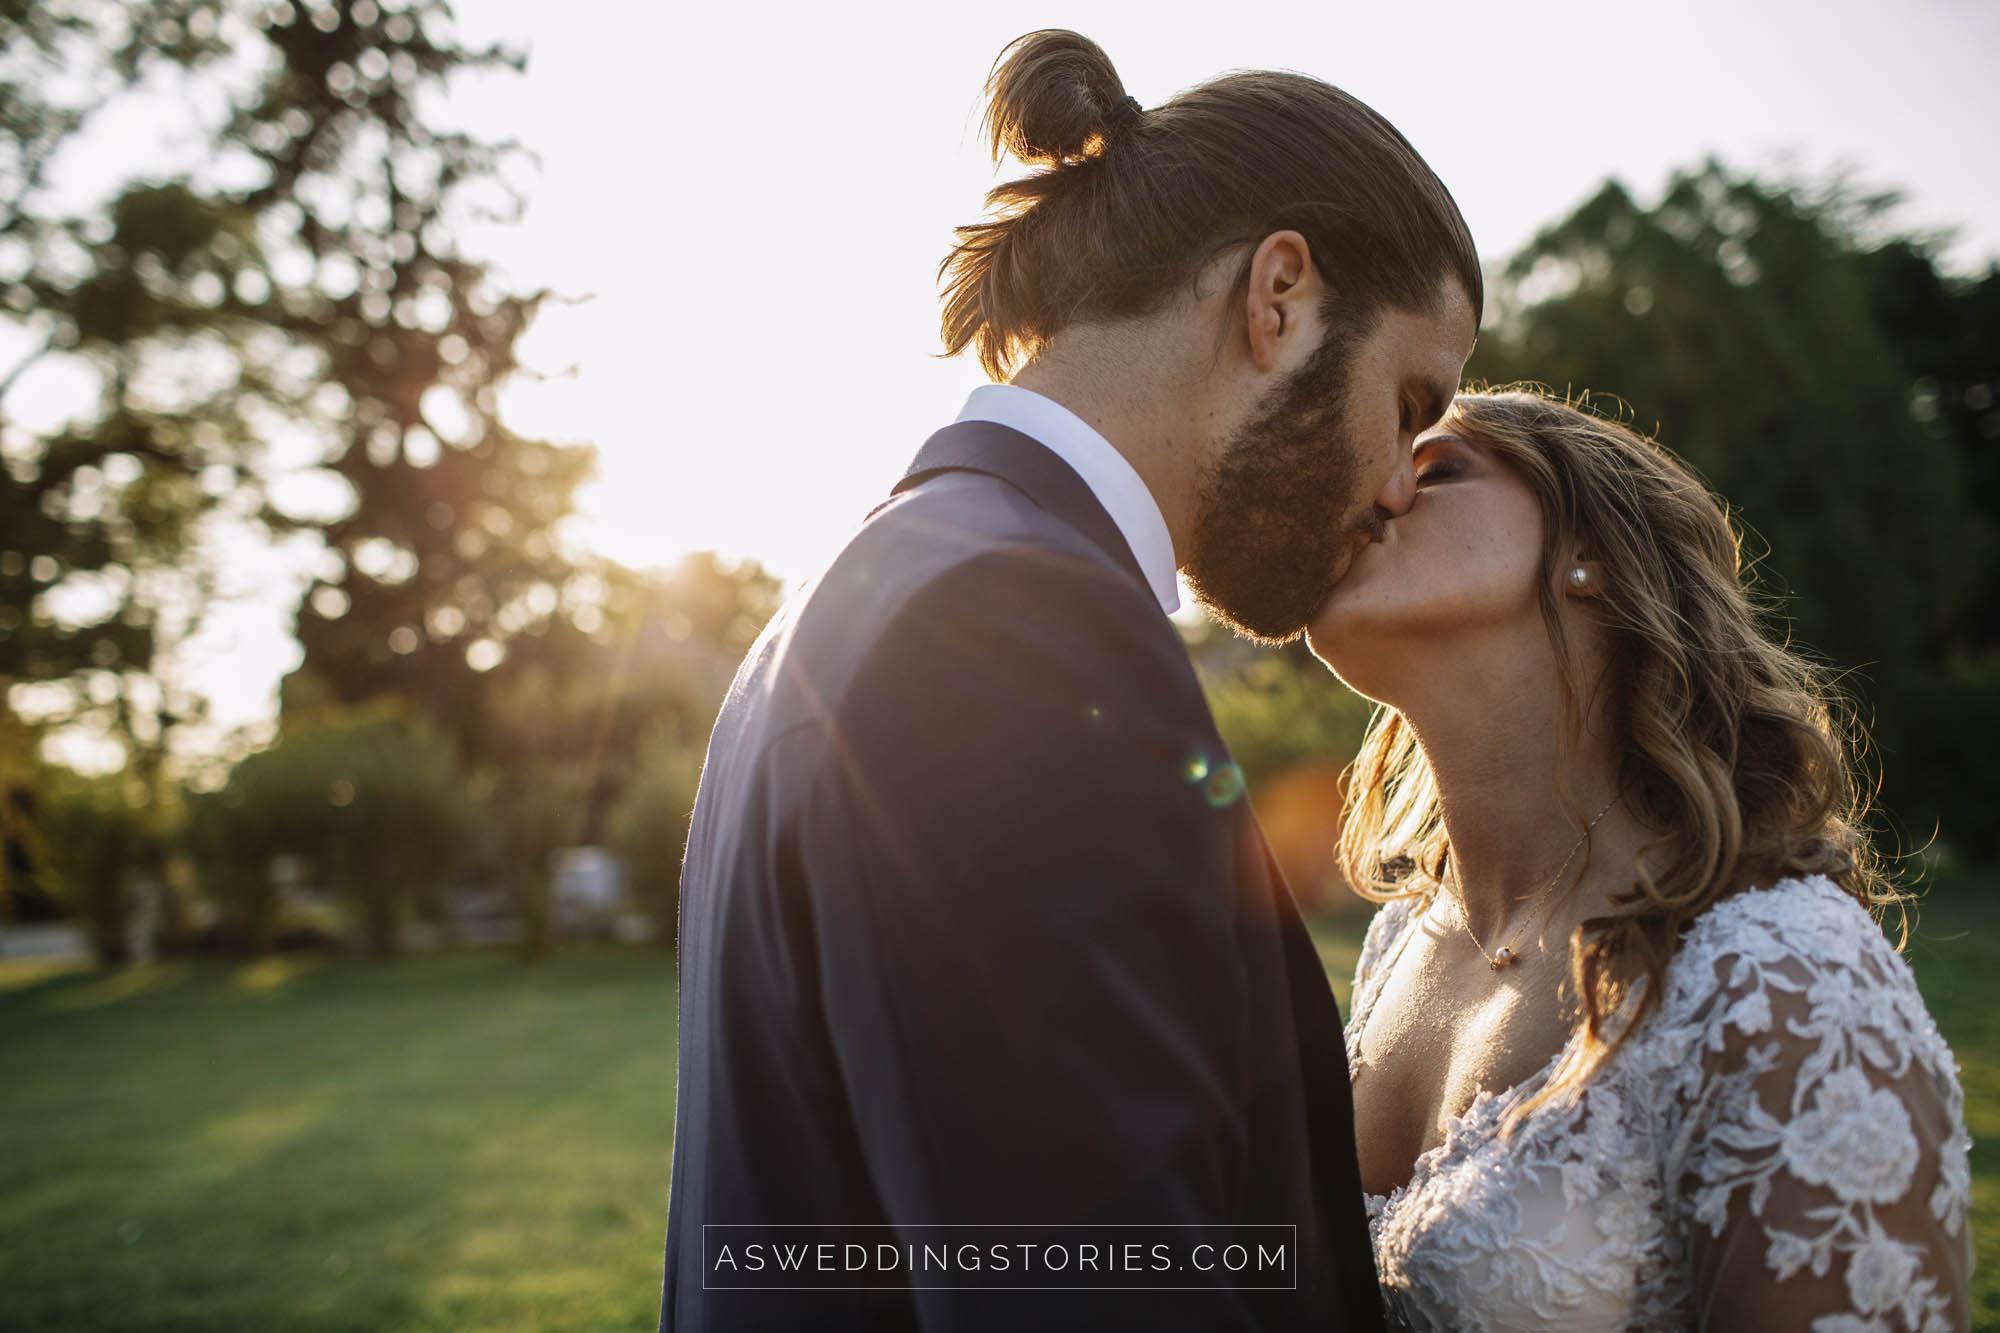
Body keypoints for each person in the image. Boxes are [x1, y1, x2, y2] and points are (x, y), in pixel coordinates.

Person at [658, 28, 1479, 1333]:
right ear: (1280, 297)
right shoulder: (1006, 638)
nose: (1398, 488)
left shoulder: (886, 584)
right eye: (1412, 401)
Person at [1313, 388, 1973, 1330]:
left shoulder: (1777, 984)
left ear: (1599, 558)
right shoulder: (1400, 939)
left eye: (1438, 468)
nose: (1368, 491)